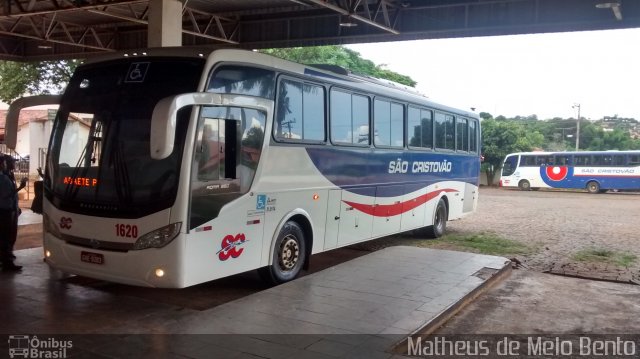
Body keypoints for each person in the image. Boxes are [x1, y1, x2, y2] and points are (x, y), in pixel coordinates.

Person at [0, 154, 27, 272]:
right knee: (5, 236)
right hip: (4, 210)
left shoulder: (7, 175)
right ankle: (7, 261)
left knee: (9, 235)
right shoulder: (2, 177)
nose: (13, 164)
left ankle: (7, 256)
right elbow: (6, 194)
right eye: (10, 162)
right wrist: (21, 187)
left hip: (9, 209)